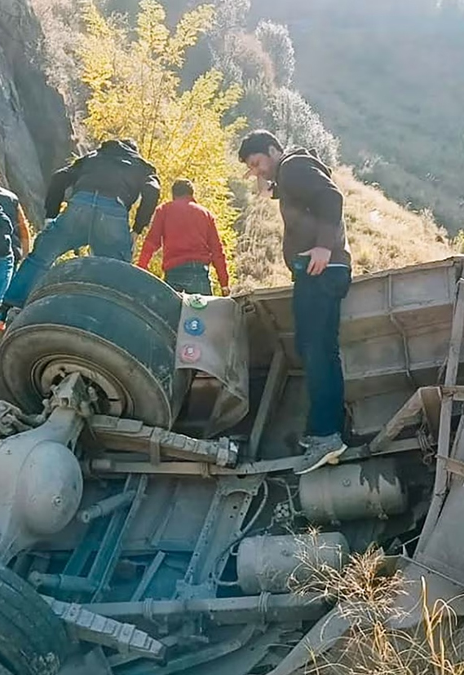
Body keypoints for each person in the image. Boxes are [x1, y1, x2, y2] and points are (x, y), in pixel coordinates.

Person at [238, 130, 351, 474]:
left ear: (274, 150)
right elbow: (302, 199)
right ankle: (326, 430)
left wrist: (323, 246)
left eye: (258, 163)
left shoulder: (294, 166)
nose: (257, 171)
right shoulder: (289, 174)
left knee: (316, 349)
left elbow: (331, 198)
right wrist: (269, 189)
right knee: (313, 347)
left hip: (321, 268)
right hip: (317, 271)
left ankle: (327, 435)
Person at [0, 139, 160, 329]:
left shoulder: (93, 157)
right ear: (134, 151)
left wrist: (51, 217)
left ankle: (3, 313)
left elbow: (59, 177)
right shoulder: (141, 165)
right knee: (115, 271)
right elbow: (153, 191)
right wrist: (137, 229)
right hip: (113, 212)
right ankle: (105, 325)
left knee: (40, 258)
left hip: (79, 207)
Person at [136, 179, 230, 296]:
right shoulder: (205, 214)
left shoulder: (164, 210)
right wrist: (224, 284)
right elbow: (217, 251)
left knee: (172, 313)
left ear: (173, 195)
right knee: (202, 312)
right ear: (192, 194)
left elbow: (151, 242)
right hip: (199, 272)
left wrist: (141, 267)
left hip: (174, 271)